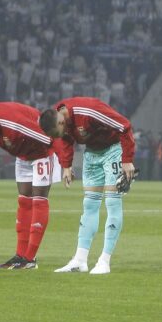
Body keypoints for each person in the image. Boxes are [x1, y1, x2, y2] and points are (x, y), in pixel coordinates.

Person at [39, 97, 136, 275]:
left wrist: (127, 159)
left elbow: (124, 125)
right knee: (89, 205)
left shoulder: (88, 111)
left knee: (112, 202)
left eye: (58, 133)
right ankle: (80, 260)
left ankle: (104, 261)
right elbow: (66, 140)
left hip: (113, 150)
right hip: (91, 153)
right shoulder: (58, 117)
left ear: (61, 121)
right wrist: (66, 166)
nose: (59, 137)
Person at [0, 103, 59, 269]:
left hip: (41, 155)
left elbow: (50, 139)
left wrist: (67, 164)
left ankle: (30, 259)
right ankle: (20, 255)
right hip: (22, 156)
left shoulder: (15, 124)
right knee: (24, 201)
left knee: (38, 200)